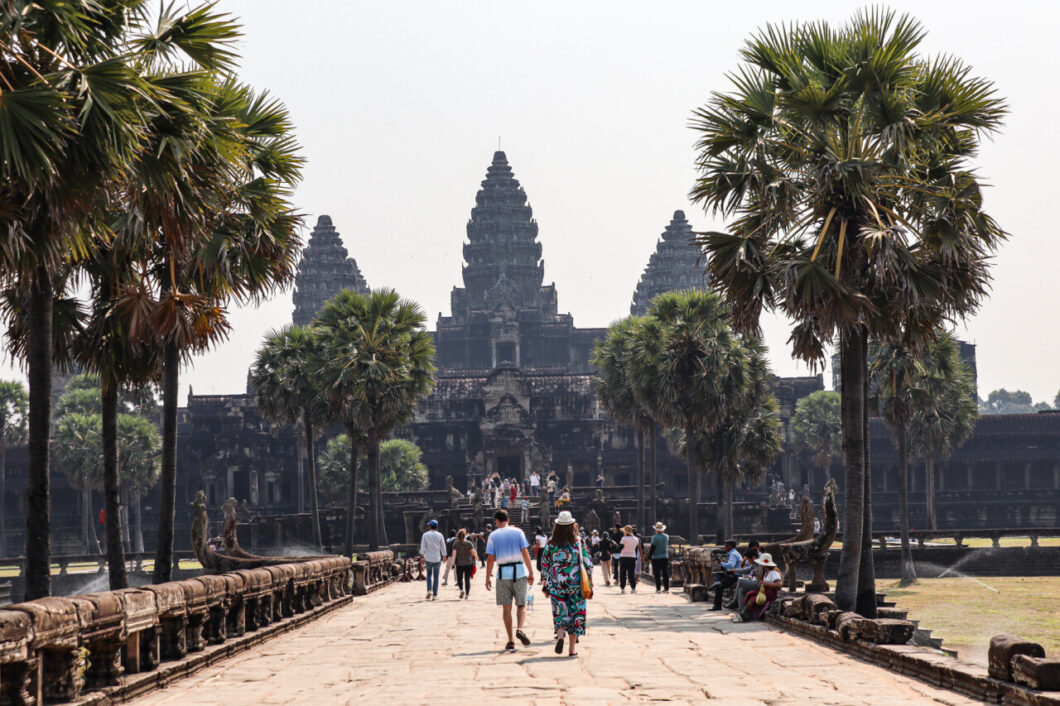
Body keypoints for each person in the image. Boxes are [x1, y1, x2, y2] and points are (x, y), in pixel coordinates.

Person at [540, 511, 592, 657]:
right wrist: (589, 579)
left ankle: (561, 636)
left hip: (557, 582)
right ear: (572, 525)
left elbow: (544, 563)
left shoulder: (551, 542)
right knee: (576, 612)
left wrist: (545, 583)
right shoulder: (578, 541)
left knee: (560, 611)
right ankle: (572, 649)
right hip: (575, 583)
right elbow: (587, 562)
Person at [485, 509, 535, 651]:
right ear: (508, 520)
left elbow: (490, 559)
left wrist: (487, 577)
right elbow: (525, 553)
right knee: (522, 604)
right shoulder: (518, 532)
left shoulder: (493, 535)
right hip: (519, 572)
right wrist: (531, 572)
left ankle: (511, 640)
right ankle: (519, 628)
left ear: (497, 521)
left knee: (506, 608)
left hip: (502, 574)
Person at [734, 553, 783, 623]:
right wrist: (756, 576)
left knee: (753, 599)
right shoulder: (766, 572)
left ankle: (744, 616)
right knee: (749, 594)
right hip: (764, 591)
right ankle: (743, 611)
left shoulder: (774, 573)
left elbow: (778, 584)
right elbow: (761, 581)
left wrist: (767, 583)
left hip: (770, 593)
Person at [709, 540, 742, 611]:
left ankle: (717, 605)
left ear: (730, 546)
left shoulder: (733, 554)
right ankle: (716, 583)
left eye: (726, 546)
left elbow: (731, 565)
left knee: (719, 586)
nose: (725, 547)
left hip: (734, 576)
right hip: (732, 574)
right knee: (718, 575)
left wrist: (721, 563)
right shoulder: (734, 553)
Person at [728, 542, 762, 610]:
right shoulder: (754, 563)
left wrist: (750, 577)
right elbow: (747, 570)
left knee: (740, 580)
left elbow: (759, 577)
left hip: (760, 584)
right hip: (754, 582)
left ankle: (734, 602)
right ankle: (741, 609)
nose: (748, 561)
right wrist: (736, 570)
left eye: (749, 559)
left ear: (753, 557)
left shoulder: (760, 564)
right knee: (741, 589)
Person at [419, 519, 447, 600]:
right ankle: (435, 595)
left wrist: (422, 556)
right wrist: (444, 555)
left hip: (428, 558)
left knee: (428, 575)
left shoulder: (425, 535)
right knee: (436, 577)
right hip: (437, 558)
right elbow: (443, 546)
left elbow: (423, 547)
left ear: (430, 526)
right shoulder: (440, 535)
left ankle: (429, 590)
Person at [453, 529, 478, 599]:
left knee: (459, 579)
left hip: (459, 564)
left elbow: (454, 554)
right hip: (468, 563)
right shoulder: (469, 543)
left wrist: (452, 563)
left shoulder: (456, 544)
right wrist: (476, 557)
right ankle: (467, 595)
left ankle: (461, 590)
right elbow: (473, 552)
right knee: (467, 579)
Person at [617, 525, 640, 593]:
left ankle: (623, 588)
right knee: (631, 573)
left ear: (626, 532)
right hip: (632, 557)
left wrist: (617, 547)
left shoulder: (624, 538)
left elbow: (620, 548)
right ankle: (633, 588)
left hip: (623, 557)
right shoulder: (636, 539)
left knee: (623, 573)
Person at [649, 522, 670, 593]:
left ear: (656, 530)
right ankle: (666, 588)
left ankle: (658, 588)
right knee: (665, 573)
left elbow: (652, 548)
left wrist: (649, 557)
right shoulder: (666, 536)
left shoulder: (654, 537)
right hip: (664, 556)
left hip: (656, 557)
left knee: (657, 573)